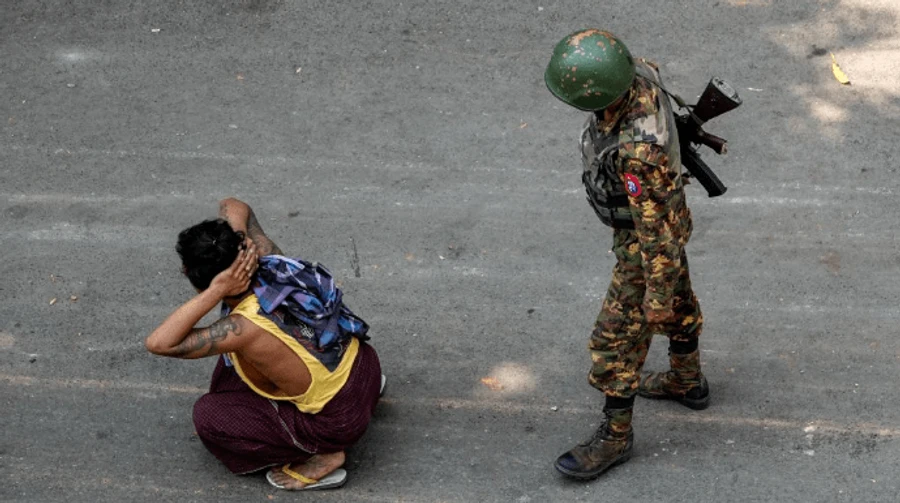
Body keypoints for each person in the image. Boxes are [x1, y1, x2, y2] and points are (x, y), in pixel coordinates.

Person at [544, 29, 710, 479]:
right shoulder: (637, 72)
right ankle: (686, 380)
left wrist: (653, 297)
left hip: (646, 241)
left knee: (615, 341)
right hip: (665, 219)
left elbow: (655, 237)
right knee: (677, 297)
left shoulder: (638, 155)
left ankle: (615, 437)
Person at [145, 198, 383, 491]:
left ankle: (325, 455)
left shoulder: (243, 328)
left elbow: (159, 343)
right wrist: (239, 238)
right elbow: (233, 204)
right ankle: (361, 397)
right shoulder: (270, 259)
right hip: (366, 368)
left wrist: (217, 290)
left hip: (340, 421)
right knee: (229, 374)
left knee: (209, 415)